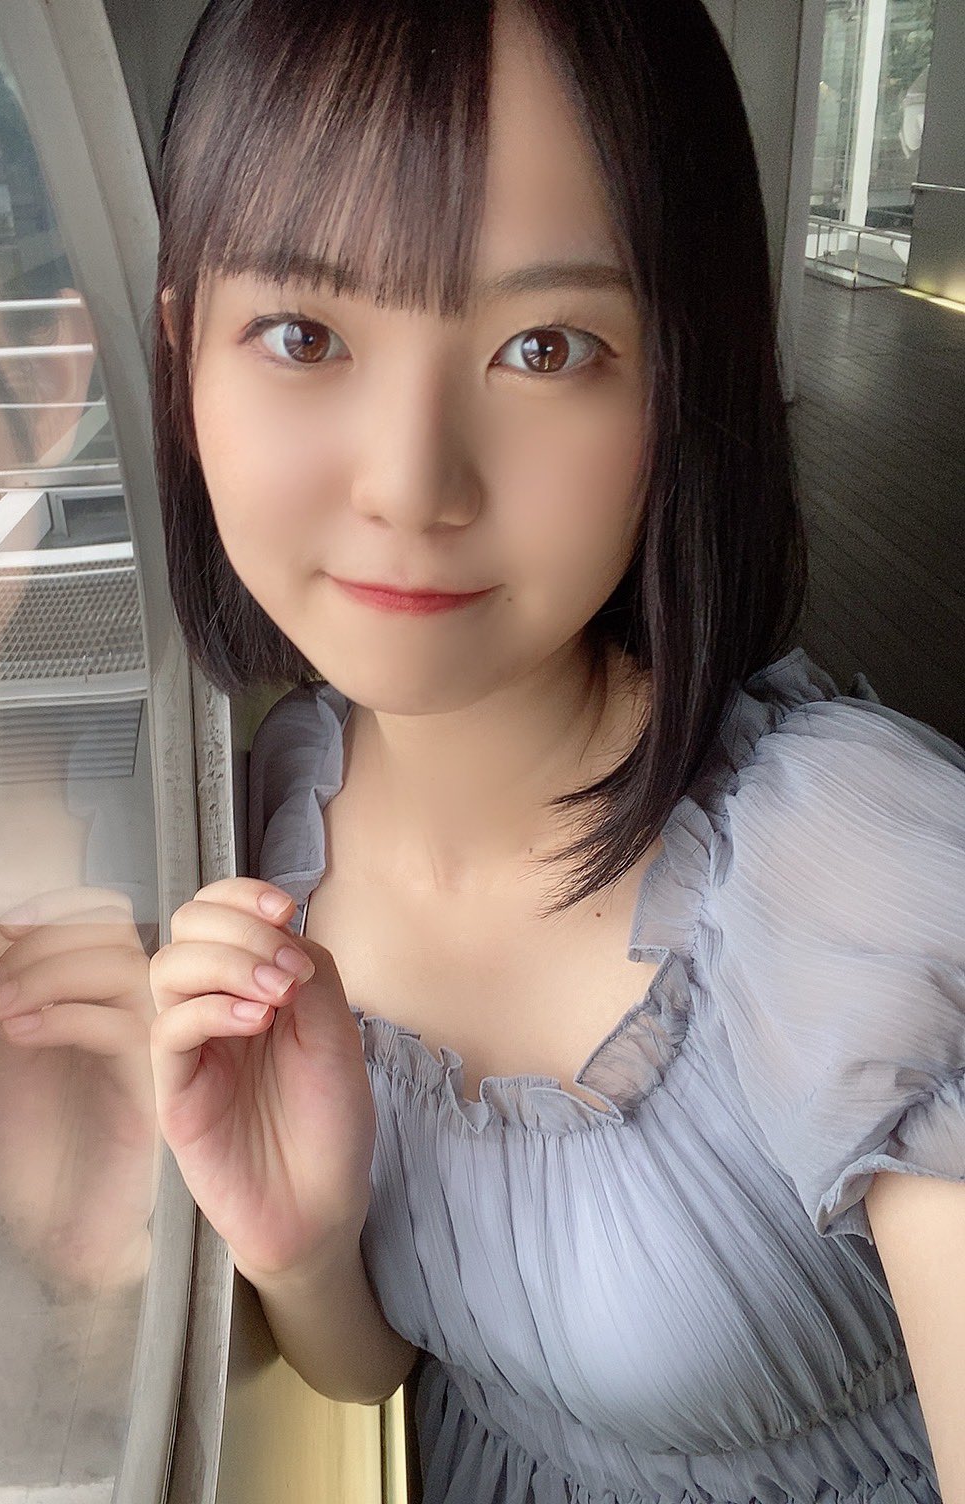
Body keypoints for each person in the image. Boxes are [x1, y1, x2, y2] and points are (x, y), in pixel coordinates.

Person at [146, 2, 965, 1501]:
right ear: (180, 350)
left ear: (680, 384)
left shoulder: (856, 875)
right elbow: (382, 1378)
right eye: (305, 334)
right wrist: (304, 1249)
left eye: (545, 346)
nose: (412, 482)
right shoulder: (263, 827)